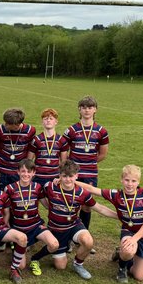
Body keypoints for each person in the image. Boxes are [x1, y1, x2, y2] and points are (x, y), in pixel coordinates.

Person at [29, 160, 115, 279]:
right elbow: (40, 196)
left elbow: (99, 208)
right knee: (60, 266)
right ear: (59, 176)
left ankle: (78, 264)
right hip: (57, 228)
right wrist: (49, 207)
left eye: (71, 176)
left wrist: (118, 216)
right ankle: (37, 257)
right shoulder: (51, 186)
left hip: (74, 225)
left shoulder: (82, 193)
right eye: (64, 176)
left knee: (88, 241)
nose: (68, 179)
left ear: (76, 176)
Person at [77, 165, 143, 284]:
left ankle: (120, 252)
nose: (130, 184)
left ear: (138, 182)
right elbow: (92, 189)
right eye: (127, 180)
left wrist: (135, 239)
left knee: (139, 276)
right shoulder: (116, 195)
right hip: (128, 232)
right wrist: (71, 181)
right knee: (129, 250)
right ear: (121, 180)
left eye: (133, 181)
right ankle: (122, 268)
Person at [4, 159, 59, 283]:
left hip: (35, 226)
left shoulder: (37, 187)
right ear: (18, 172)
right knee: (21, 265)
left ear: (34, 173)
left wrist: (59, 207)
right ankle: (15, 246)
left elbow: (46, 204)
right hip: (18, 228)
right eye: (23, 171)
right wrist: (6, 226)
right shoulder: (9, 189)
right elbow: (6, 210)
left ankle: (35, 258)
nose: (26, 174)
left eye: (29, 172)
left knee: (54, 244)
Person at [61, 96, 109, 236]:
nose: (87, 110)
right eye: (84, 107)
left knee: (87, 206)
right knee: (70, 204)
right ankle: (68, 236)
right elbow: (64, 150)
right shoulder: (71, 130)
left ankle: (83, 235)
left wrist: (89, 163)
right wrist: (71, 167)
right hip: (72, 174)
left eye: (90, 107)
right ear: (79, 110)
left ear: (95, 110)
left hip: (90, 173)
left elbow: (102, 154)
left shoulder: (101, 131)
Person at [0, 108, 35, 189]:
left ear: (17, 124)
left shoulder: (30, 131)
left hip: (19, 171)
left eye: (8, 123)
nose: (5, 125)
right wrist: (3, 156)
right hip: (2, 169)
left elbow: (31, 148)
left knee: (17, 195)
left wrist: (26, 164)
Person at [28, 108, 68, 188]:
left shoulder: (62, 140)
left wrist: (61, 177)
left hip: (54, 177)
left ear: (56, 122)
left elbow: (63, 162)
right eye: (45, 119)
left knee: (53, 200)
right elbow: (29, 161)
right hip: (38, 176)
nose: (48, 121)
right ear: (42, 122)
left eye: (51, 119)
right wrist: (29, 176)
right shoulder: (36, 140)